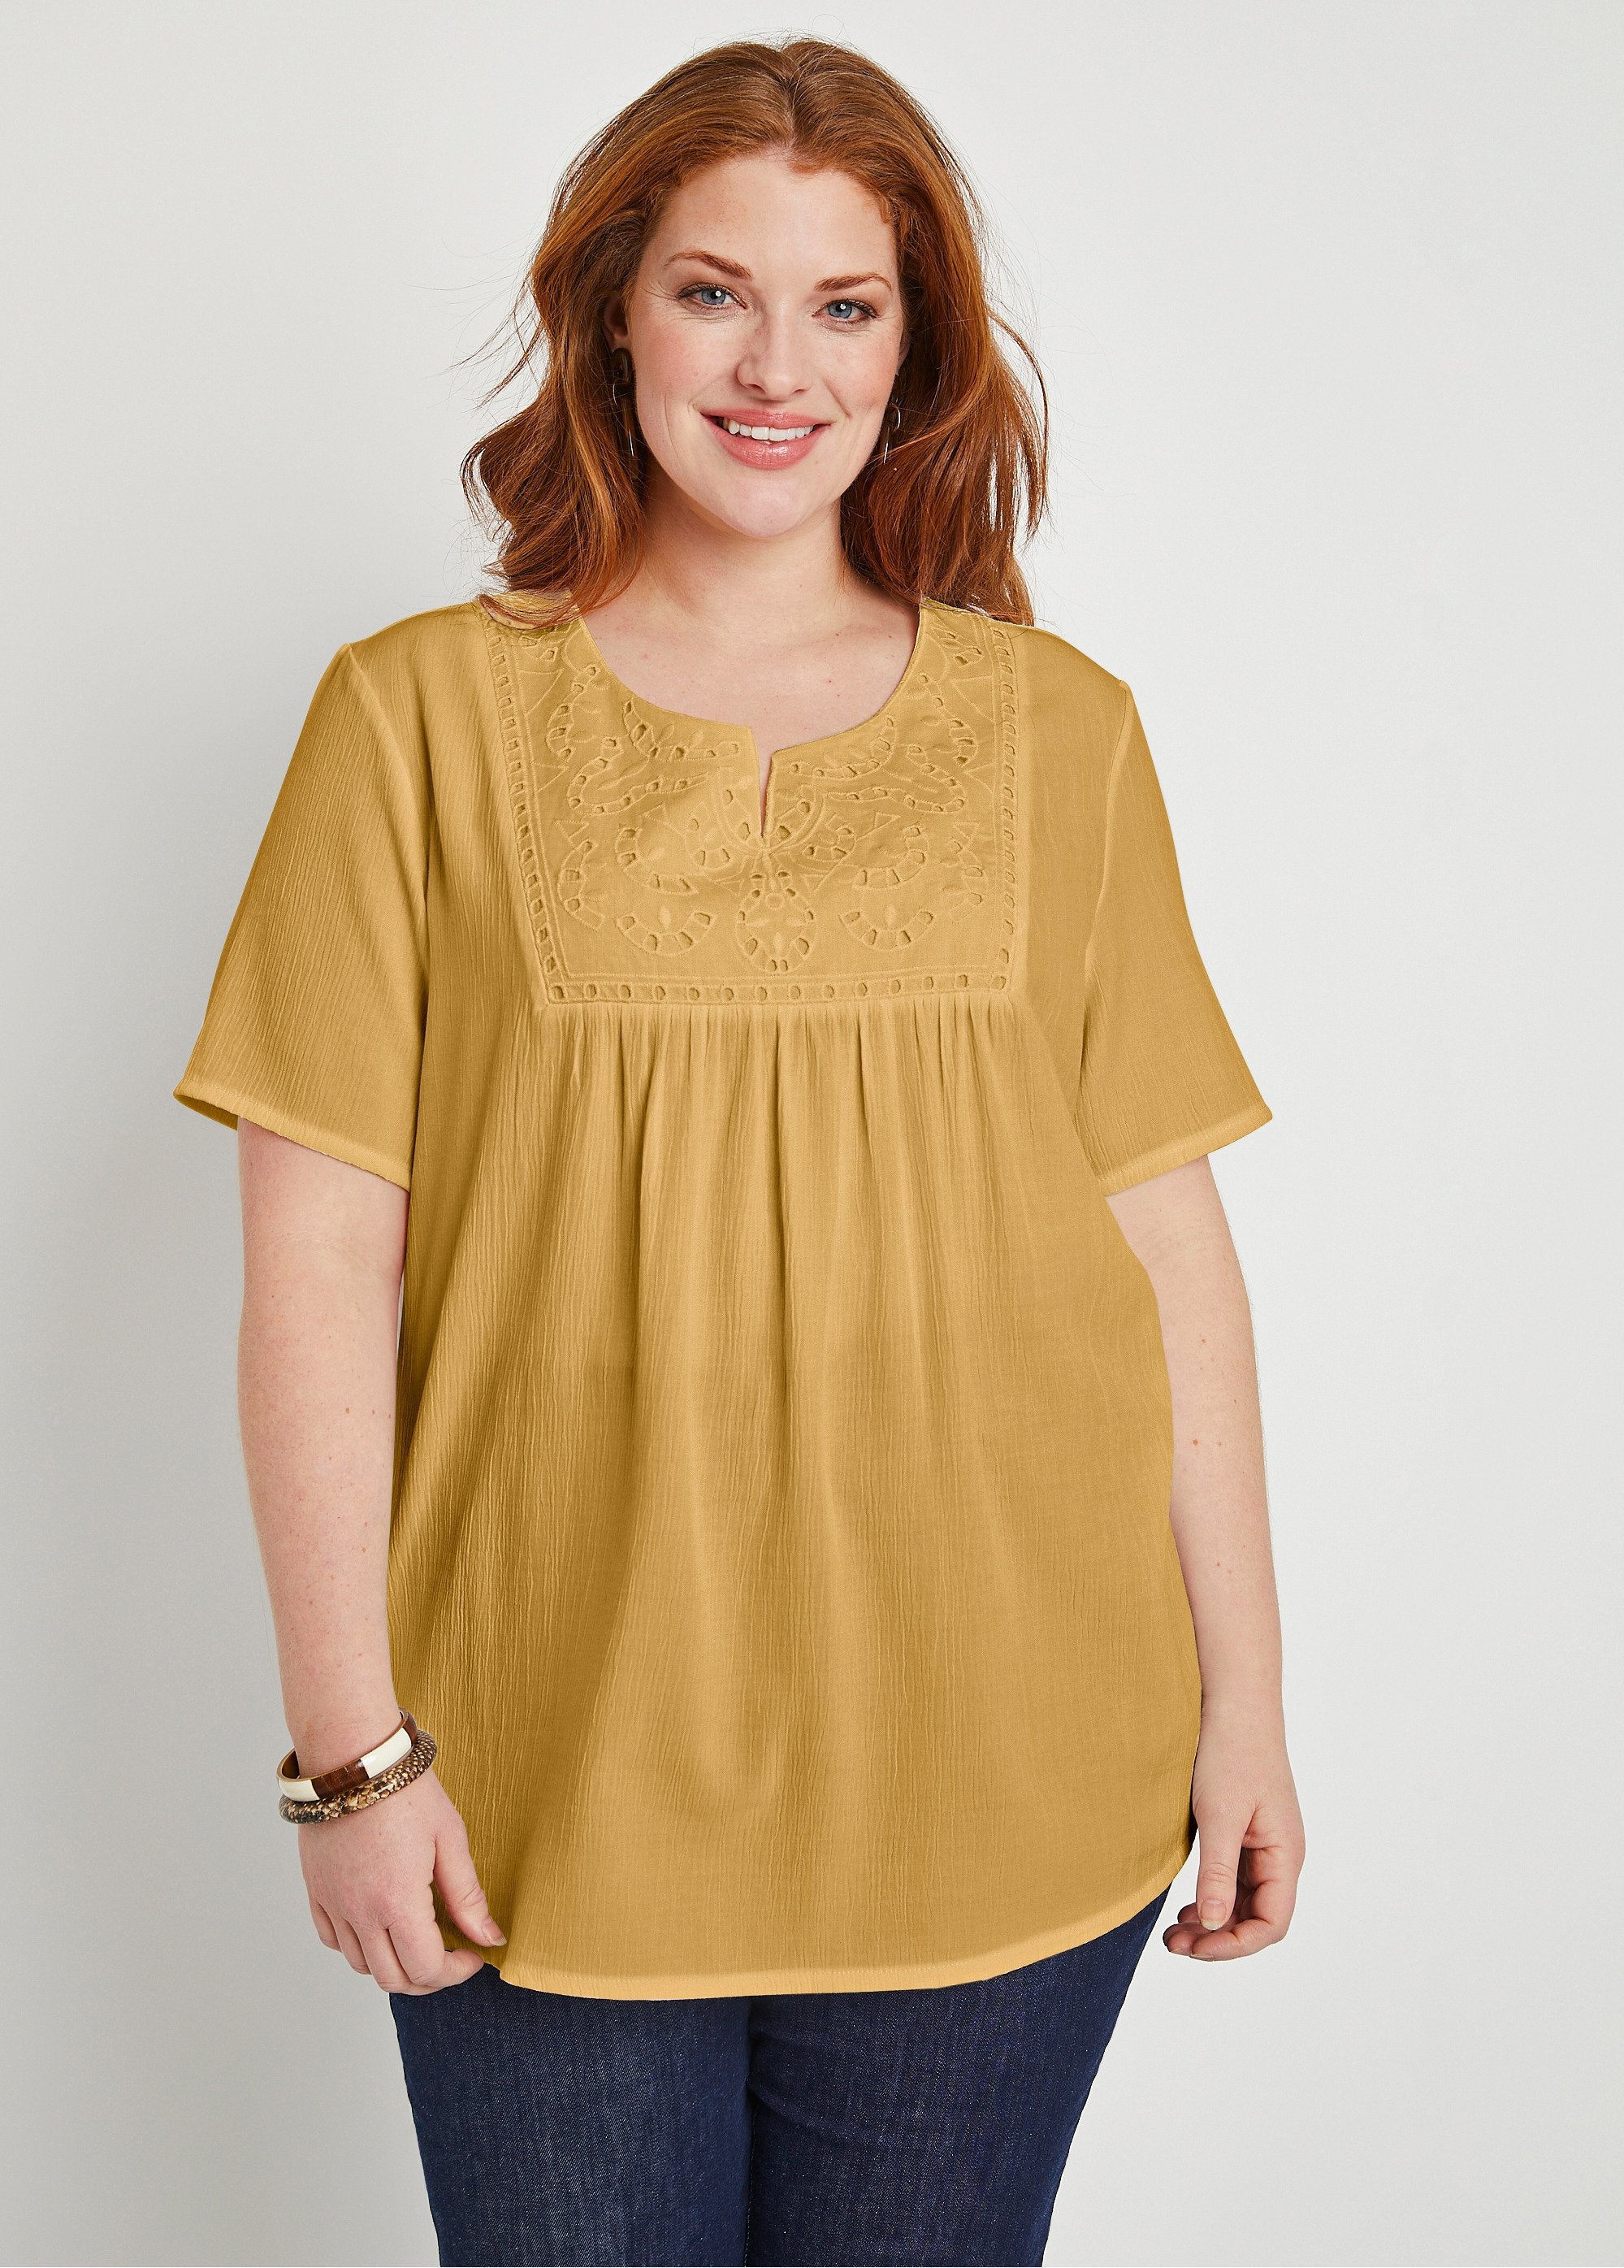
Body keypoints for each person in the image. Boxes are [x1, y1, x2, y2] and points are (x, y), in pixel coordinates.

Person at [173, 34, 1305, 2268]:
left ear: (914, 350)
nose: (778, 367)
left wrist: (1250, 1706)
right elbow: (314, 1269)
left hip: (1012, 1758)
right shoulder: (414, 718)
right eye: (714, 292)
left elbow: (1165, 1240)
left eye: (844, 305)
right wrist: (350, 1755)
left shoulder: (1060, 733)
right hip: (547, 1776)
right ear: (613, 316)